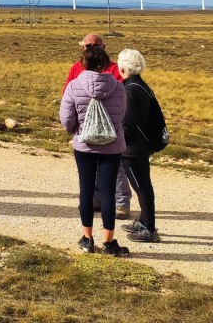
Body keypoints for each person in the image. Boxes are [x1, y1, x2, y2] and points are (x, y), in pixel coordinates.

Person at [59, 45, 129, 257]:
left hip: (84, 146)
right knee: (108, 193)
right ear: (105, 64)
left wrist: (76, 131)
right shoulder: (119, 87)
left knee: (87, 191)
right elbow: (122, 114)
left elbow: (67, 119)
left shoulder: (73, 86)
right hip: (112, 146)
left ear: (83, 63)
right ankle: (109, 242)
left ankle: (87, 238)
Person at [117, 48, 162, 243]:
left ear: (123, 68)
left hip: (133, 149)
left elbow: (128, 122)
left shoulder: (130, 90)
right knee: (143, 184)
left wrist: (118, 141)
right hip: (141, 145)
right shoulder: (141, 86)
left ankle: (149, 228)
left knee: (141, 187)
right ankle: (143, 220)